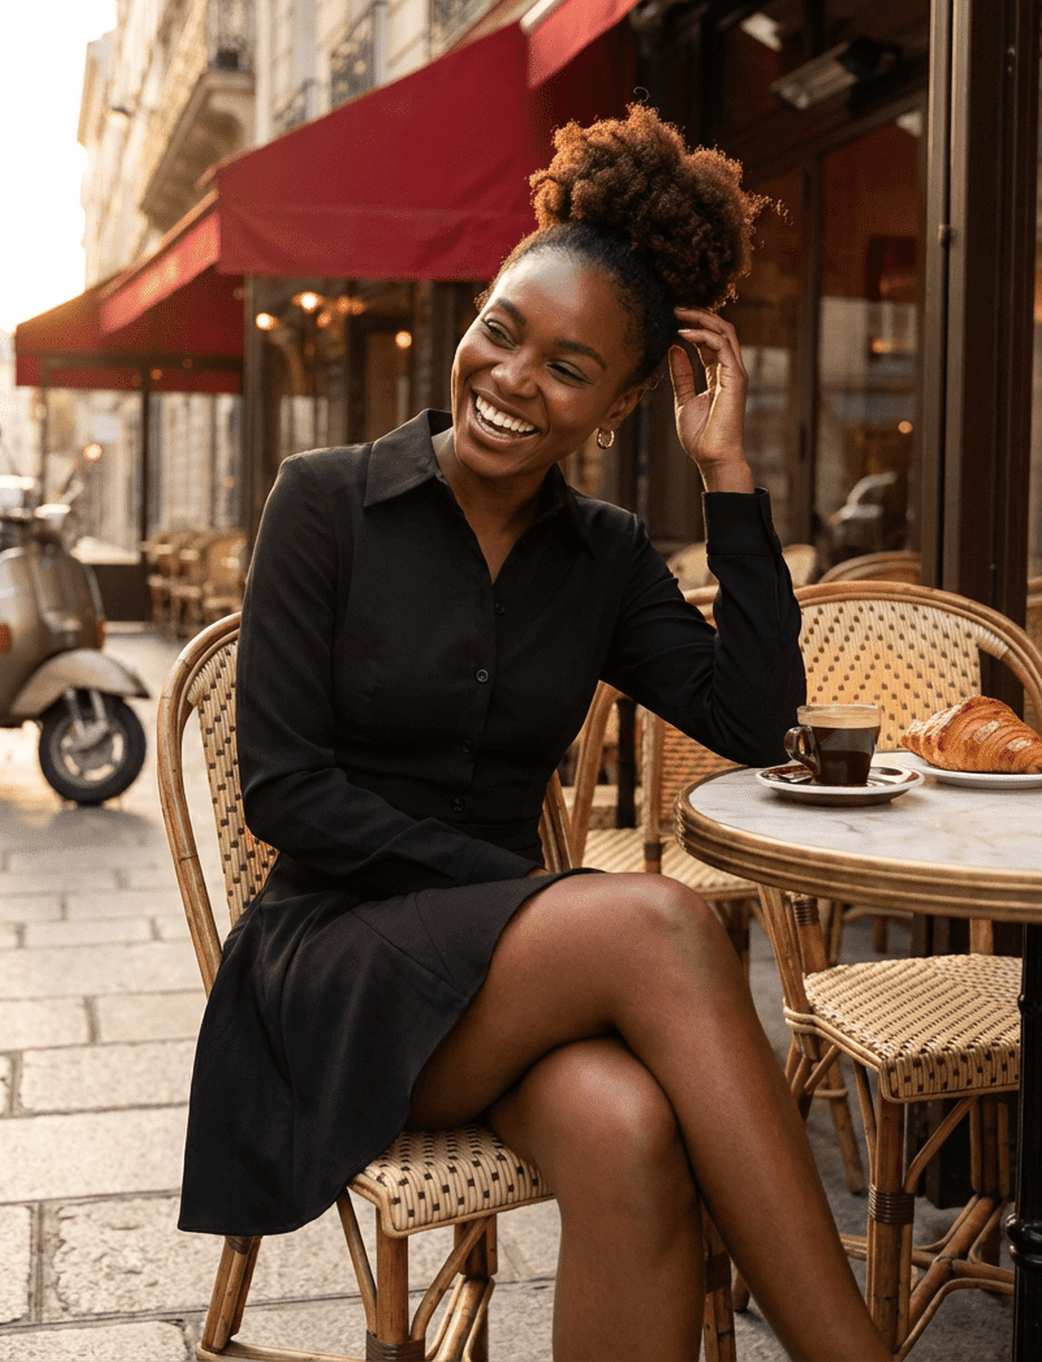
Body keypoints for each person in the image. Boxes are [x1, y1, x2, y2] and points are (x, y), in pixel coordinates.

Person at [181, 105, 893, 1362]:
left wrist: (728, 471)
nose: (512, 379)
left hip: (504, 988)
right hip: (334, 965)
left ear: (619, 405)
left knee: (626, 1130)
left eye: (569, 367)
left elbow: (753, 718)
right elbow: (286, 793)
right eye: (502, 332)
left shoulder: (606, 557)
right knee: (660, 919)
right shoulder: (325, 501)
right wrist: (522, 893)